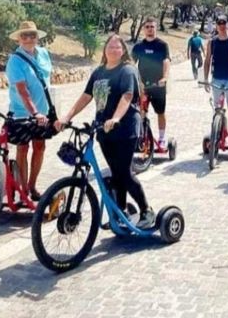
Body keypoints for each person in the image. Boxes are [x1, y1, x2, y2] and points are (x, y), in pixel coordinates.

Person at [55, 34, 155, 228]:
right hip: (103, 130)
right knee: (115, 173)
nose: (113, 50)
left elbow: (127, 96)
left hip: (125, 129)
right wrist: (67, 117)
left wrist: (116, 118)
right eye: (110, 46)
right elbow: (86, 96)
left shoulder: (127, 71)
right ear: (104, 50)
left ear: (123, 51)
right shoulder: (99, 72)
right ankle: (121, 211)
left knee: (124, 172)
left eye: (118, 47)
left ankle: (145, 209)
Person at [4, 21, 55, 201]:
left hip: (43, 112)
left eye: (32, 35)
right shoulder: (15, 61)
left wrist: (47, 111)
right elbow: (22, 91)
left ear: (37, 37)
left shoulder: (44, 54)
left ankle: (32, 186)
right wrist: (34, 113)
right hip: (22, 114)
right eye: (24, 36)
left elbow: (47, 82)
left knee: (40, 147)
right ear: (18, 39)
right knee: (23, 149)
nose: (28, 39)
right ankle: (23, 189)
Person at [132, 18, 171, 146]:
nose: (150, 29)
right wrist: (137, 81)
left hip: (158, 85)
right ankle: (142, 137)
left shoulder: (162, 45)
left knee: (160, 112)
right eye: (147, 27)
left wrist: (164, 78)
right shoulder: (138, 47)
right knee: (141, 112)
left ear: (156, 28)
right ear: (144, 29)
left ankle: (162, 138)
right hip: (143, 86)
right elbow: (132, 64)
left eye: (152, 27)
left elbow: (166, 62)